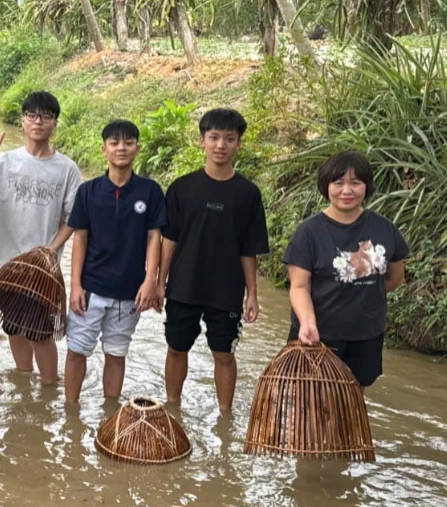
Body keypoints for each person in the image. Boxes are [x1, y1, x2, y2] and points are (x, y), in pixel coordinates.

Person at [157, 108, 269, 412]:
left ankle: (224, 415)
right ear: (202, 141)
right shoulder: (182, 188)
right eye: (214, 137)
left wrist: (253, 295)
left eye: (229, 139)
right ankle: (172, 408)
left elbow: (250, 249)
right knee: (176, 348)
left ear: (238, 145)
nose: (221, 145)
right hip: (183, 285)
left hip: (226, 291)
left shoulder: (248, 194)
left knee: (224, 354)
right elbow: (170, 239)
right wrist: (159, 283)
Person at [284, 150, 408, 392]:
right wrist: (307, 323)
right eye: (338, 182)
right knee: (312, 400)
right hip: (319, 335)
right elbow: (299, 287)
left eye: (355, 182)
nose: (347, 190)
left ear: (367, 186)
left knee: (352, 397)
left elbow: (394, 277)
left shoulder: (384, 229)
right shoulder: (309, 233)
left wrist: (361, 293)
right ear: (326, 186)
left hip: (365, 334)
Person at [0, 91, 81, 385]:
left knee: (40, 331)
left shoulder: (67, 169)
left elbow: (72, 219)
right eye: (32, 115)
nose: (38, 121)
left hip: (42, 267)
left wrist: (51, 249)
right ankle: (24, 380)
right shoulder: (4, 162)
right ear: (22, 121)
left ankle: (50, 387)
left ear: (55, 124)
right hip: (5, 261)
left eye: (45, 116)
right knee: (13, 327)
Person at [65, 121, 166, 403]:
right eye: (114, 143)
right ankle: (70, 411)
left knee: (117, 353)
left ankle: (110, 416)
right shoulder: (89, 191)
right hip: (90, 289)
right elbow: (80, 239)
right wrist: (74, 285)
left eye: (128, 142)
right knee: (76, 351)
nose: (121, 148)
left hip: (130, 291)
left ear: (138, 148)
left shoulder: (150, 192)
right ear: (104, 149)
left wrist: (151, 281)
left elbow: (153, 238)